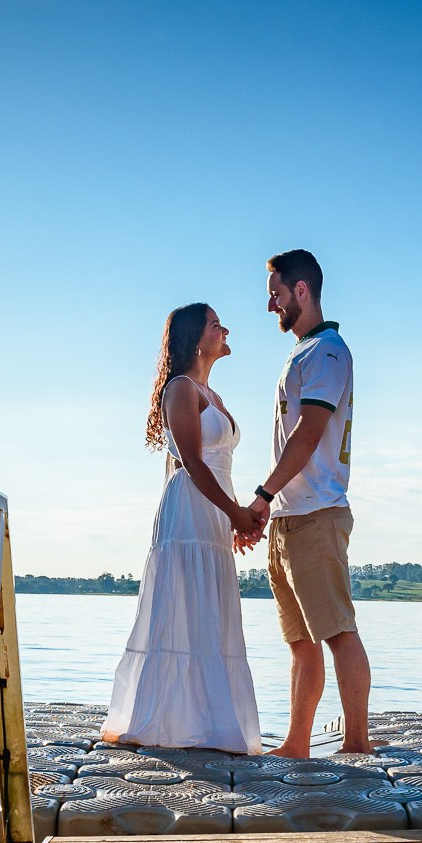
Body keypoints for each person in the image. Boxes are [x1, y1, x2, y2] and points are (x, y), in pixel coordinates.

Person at [102, 303, 265, 753]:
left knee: (209, 610)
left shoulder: (212, 394)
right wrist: (235, 513)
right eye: (217, 324)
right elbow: (191, 462)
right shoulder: (180, 389)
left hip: (212, 509)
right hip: (190, 510)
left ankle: (211, 722)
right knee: (184, 604)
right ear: (198, 338)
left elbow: (214, 463)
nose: (226, 328)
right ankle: (168, 720)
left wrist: (232, 516)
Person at [244, 249, 371, 755]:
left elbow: (309, 431)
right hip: (289, 516)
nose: (271, 304)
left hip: (316, 512)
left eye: (275, 293)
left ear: (302, 290)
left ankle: (357, 743)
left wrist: (262, 494)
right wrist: (272, 507)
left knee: (338, 630)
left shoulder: (327, 351)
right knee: (300, 640)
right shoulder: (302, 352)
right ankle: (297, 741)